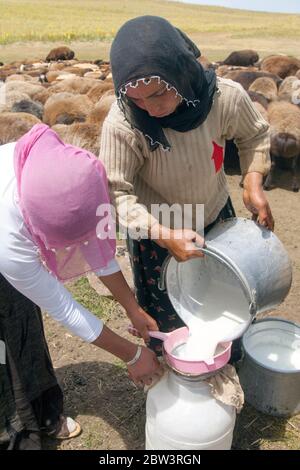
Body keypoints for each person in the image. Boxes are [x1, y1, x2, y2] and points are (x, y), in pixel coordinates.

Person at [99, 16, 274, 356]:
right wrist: (163, 234)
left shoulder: (225, 97)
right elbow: (114, 192)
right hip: (158, 227)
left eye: (159, 93)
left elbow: (254, 135)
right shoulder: (123, 123)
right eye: (138, 100)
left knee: (227, 297)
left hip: (214, 214)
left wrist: (253, 180)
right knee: (172, 318)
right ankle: (178, 374)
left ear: (180, 70)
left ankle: (225, 360)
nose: (151, 108)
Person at [0, 123, 163, 450]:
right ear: (39, 228)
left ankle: (43, 409)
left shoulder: (68, 173)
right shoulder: (10, 240)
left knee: (23, 325)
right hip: (5, 246)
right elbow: (63, 308)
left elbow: (95, 245)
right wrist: (132, 356)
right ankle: (14, 430)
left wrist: (133, 309)